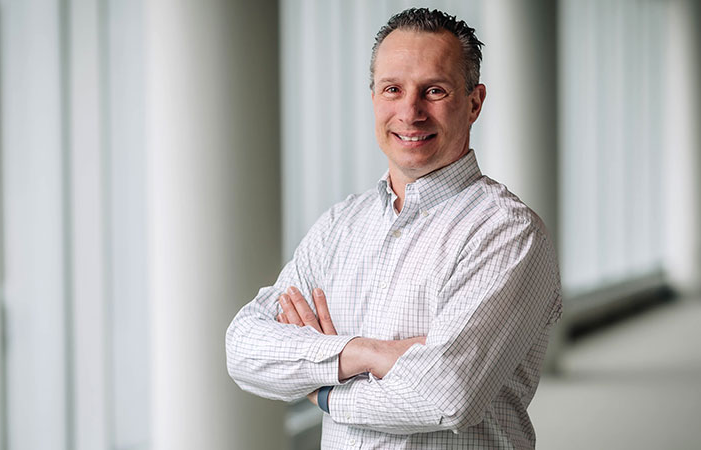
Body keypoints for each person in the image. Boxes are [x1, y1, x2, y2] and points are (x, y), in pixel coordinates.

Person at [226, 7, 562, 449]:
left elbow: (445, 395)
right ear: (374, 98)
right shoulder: (339, 226)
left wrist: (323, 388)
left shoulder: (508, 233)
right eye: (392, 89)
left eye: (434, 90)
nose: (410, 111)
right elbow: (244, 348)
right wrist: (364, 352)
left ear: (474, 102)